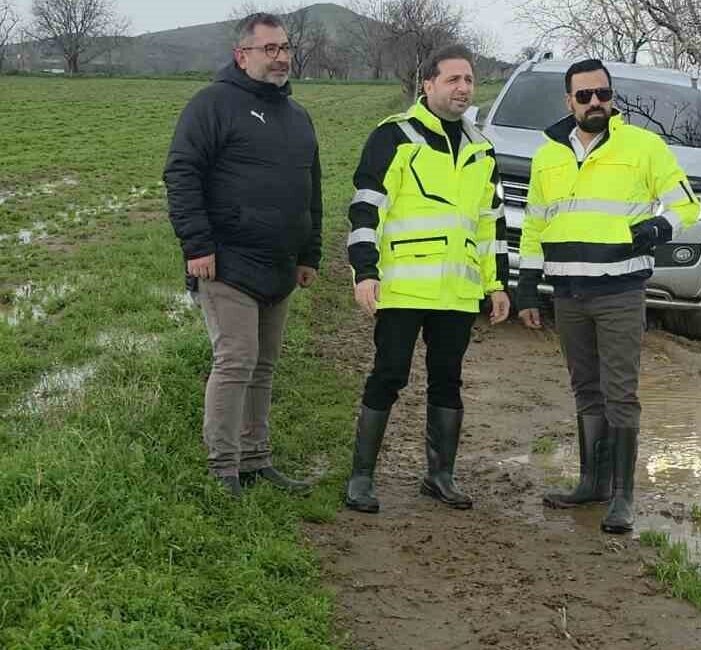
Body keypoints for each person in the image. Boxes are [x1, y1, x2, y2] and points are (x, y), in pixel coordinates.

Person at [517, 59, 700, 533]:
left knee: (620, 393)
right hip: (568, 293)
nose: (595, 102)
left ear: (611, 97)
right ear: (569, 101)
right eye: (584, 96)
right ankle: (590, 483)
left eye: (602, 94)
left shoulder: (643, 146)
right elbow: (536, 224)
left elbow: (688, 202)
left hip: (619, 290)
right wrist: (526, 289)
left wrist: (661, 225)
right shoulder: (547, 155)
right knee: (586, 389)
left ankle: (622, 496)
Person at [344, 44, 510, 514]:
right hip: (402, 287)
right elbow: (365, 209)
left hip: (456, 293)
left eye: (469, 81)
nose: (463, 88)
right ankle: (361, 478)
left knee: (448, 381)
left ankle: (440, 476)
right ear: (429, 84)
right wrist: (365, 272)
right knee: (388, 376)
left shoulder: (481, 148)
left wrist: (496, 284)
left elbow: (490, 224)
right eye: (453, 79)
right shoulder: (394, 137)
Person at [163, 13, 322, 498]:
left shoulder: (297, 116)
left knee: (265, 366)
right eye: (269, 49)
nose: (281, 57)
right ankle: (222, 467)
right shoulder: (212, 105)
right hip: (227, 262)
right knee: (236, 361)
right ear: (242, 55)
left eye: (285, 48)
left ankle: (255, 459)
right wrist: (198, 246)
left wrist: (309, 252)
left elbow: (311, 187)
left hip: (279, 266)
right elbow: (182, 173)